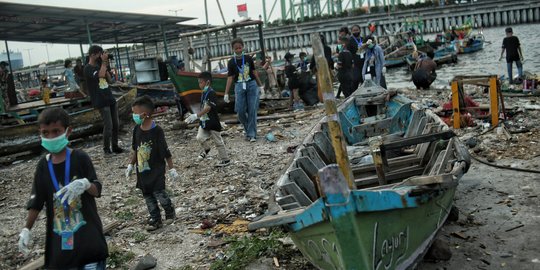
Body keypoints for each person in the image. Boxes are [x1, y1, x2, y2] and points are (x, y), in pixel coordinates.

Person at [18, 107, 108, 269]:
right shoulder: (43, 166)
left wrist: (85, 184)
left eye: (56, 131)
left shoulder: (80, 158)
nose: (51, 137)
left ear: (68, 131)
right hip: (60, 244)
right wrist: (26, 229)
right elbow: (37, 202)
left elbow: (97, 189)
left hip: (88, 241)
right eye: (45, 133)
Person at [125, 95, 179, 231]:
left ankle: (169, 211)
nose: (134, 116)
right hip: (142, 172)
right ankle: (155, 220)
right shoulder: (137, 130)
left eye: (135, 113)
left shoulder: (157, 131)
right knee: (148, 197)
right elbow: (136, 149)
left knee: (160, 194)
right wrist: (131, 165)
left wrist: (172, 169)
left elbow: (166, 151)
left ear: (144, 114)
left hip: (156, 171)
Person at [84, 45, 124, 154]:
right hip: (100, 100)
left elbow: (110, 80)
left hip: (109, 98)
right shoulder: (88, 68)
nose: (100, 56)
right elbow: (100, 75)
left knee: (116, 124)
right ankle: (106, 149)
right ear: (92, 55)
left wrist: (106, 65)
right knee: (108, 125)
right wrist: (103, 62)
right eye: (99, 54)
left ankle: (115, 146)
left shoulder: (100, 65)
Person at [185, 72, 231, 167]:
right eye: (199, 82)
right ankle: (206, 149)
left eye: (201, 82)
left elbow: (208, 108)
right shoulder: (204, 92)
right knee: (200, 137)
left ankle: (225, 159)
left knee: (218, 141)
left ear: (207, 82)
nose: (199, 85)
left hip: (212, 121)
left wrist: (196, 116)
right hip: (205, 121)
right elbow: (203, 107)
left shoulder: (211, 93)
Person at [223, 38, 264, 142]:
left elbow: (254, 73)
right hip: (239, 86)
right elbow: (230, 77)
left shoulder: (248, 59)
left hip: (251, 85)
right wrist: (226, 93)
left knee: (252, 110)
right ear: (233, 49)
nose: (238, 50)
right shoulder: (231, 62)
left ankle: (252, 135)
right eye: (236, 48)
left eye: (240, 47)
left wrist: (260, 86)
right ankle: (249, 130)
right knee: (240, 111)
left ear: (243, 47)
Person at [350, 24, 365, 92]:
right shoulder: (350, 40)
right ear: (351, 31)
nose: (356, 32)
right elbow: (348, 52)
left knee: (364, 78)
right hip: (355, 63)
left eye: (357, 30)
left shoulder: (363, 39)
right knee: (356, 79)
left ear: (360, 30)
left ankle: (364, 92)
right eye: (354, 30)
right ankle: (353, 93)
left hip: (364, 62)